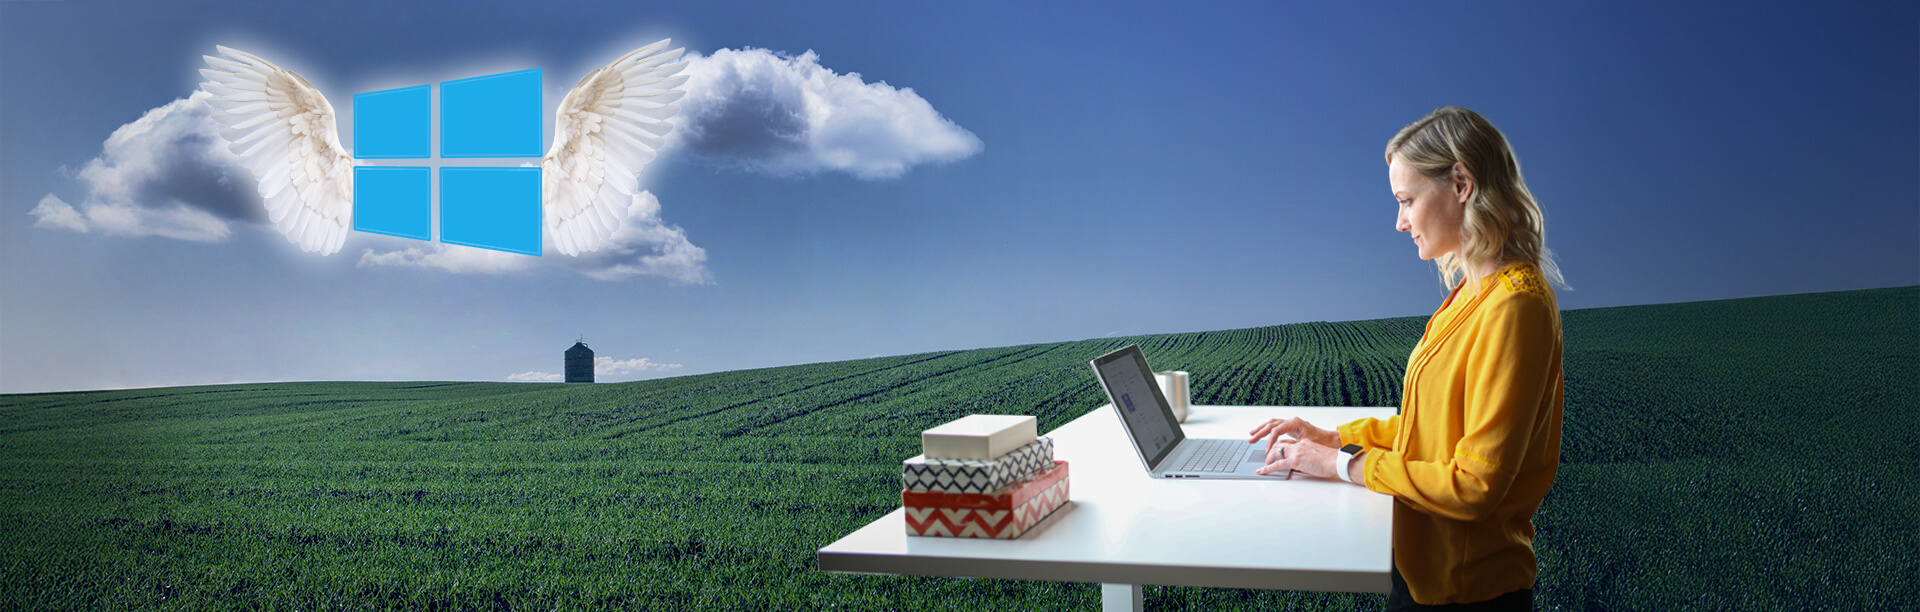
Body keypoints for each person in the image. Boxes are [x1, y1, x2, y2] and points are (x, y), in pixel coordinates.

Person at [1248, 106, 1565, 610]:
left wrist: (1344, 466)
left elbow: (1475, 484)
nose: (1399, 222)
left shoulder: (1516, 306)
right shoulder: (1470, 294)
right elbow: (1432, 432)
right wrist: (1335, 438)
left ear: (1461, 183)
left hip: (1468, 593)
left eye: (1407, 200)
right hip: (1421, 573)